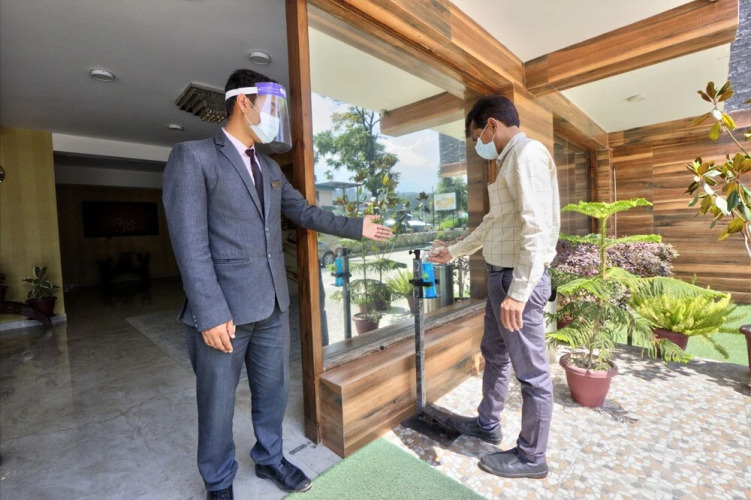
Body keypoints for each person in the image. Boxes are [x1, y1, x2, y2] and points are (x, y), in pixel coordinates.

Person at [163, 69, 392, 500]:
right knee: (216, 403)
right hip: (222, 313)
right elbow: (189, 244)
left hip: (271, 306)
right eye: (271, 107)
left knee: (273, 392)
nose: (275, 118)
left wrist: (355, 226)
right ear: (243, 103)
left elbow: (303, 212)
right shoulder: (193, 157)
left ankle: (270, 458)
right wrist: (209, 312)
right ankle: (218, 481)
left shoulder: (268, 166)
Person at [428, 95, 559, 479]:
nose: (478, 145)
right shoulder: (508, 162)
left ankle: (532, 457)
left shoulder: (527, 155)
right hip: (501, 278)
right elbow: (493, 225)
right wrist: (453, 252)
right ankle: (487, 423)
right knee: (495, 354)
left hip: (517, 281)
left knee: (532, 374)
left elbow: (537, 228)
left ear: (491, 125)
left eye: (476, 137)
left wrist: (518, 293)